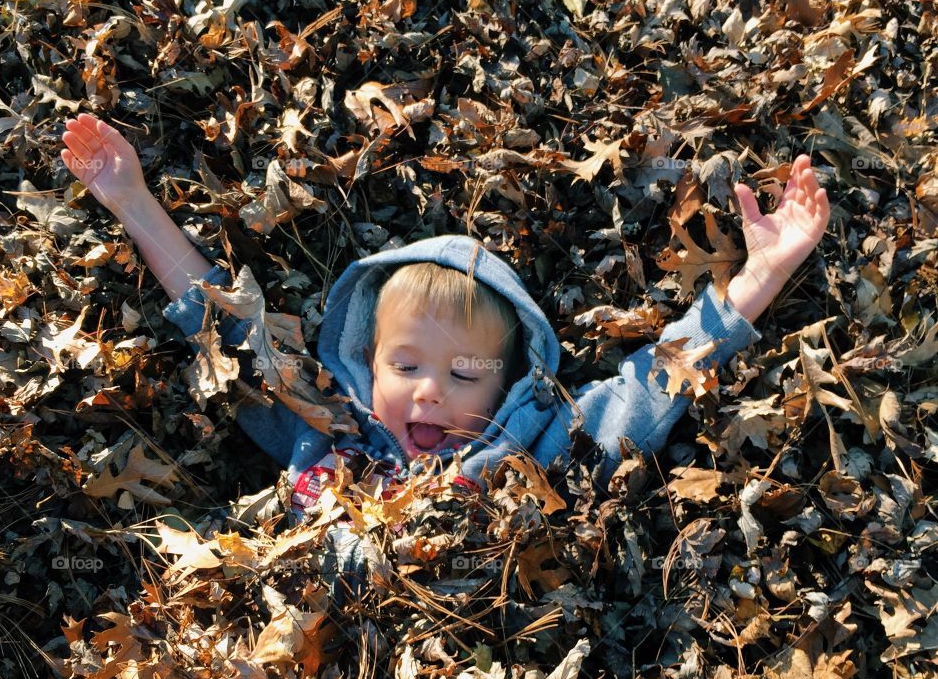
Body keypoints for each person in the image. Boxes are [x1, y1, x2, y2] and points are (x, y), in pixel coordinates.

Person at [60, 115, 830, 524]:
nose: (428, 393)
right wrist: (133, 203)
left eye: (464, 375)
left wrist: (760, 277)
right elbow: (229, 331)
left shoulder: (531, 449)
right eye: (406, 367)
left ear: (507, 389)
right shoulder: (327, 421)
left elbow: (648, 386)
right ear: (367, 358)